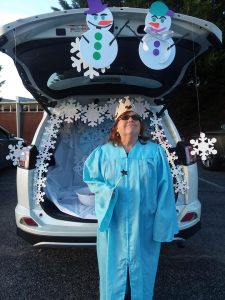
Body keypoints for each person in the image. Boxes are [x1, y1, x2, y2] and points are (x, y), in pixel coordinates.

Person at [83, 96, 179, 300]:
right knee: (111, 268)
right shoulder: (102, 153)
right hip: (114, 223)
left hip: (143, 222)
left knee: (143, 268)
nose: (131, 120)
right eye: (125, 117)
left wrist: (162, 224)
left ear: (140, 125)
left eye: (135, 117)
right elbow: (90, 178)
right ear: (116, 126)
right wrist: (106, 191)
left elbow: (165, 189)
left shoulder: (155, 153)